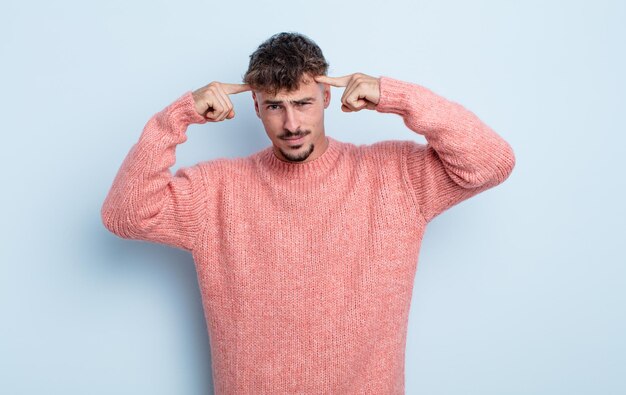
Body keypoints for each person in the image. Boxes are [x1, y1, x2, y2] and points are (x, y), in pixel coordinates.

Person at [101, 32, 516, 394]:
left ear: (327, 97)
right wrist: (176, 117)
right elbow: (126, 214)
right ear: (256, 107)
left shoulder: (396, 177)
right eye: (276, 106)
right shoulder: (216, 191)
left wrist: (395, 96)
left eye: (303, 103)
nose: (292, 123)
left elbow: (491, 162)